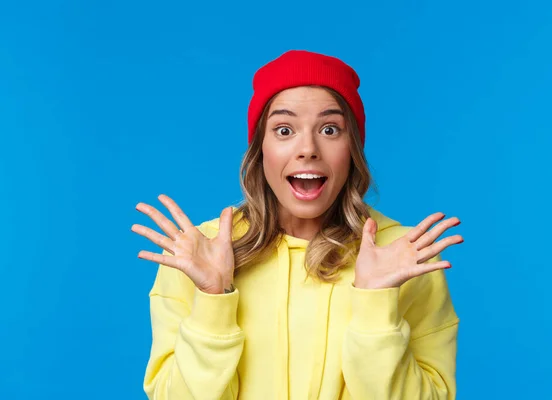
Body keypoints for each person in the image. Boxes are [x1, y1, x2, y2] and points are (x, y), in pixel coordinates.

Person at [132, 50, 464, 399]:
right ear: (260, 149)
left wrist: (376, 306)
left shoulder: (405, 256)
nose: (308, 148)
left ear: (353, 148)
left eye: (330, 129)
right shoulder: (199, 253)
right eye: (284, 129)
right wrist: (213, 299)